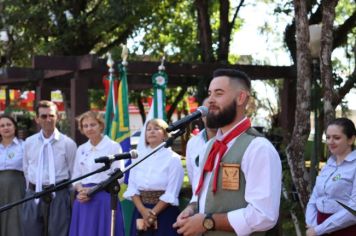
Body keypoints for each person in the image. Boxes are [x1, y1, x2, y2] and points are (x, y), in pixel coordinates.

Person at [173, 68, 282, 236]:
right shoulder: (209, 147)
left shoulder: (258, 148)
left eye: (219, 93)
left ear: (240, 98)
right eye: (210, 94)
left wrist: (207, 222)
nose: (210, 101)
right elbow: (201, 193)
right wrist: (191, 208)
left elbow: (264, 215)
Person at [21, 100, 77, 236]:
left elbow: (73, 172)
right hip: (33, 194)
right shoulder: (29, 142)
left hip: (59, 194)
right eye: (44, 116)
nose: (48, 119)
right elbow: (26, 168)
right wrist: (34, 187)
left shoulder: (68, 143)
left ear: (58, 117)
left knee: (58, 232)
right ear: (37, 119)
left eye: (51, 115)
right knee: (31, 231)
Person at [124, 118, 184, 236]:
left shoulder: (173, 159)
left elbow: (171, 192)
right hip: (141, 210)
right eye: (148, 129)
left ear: (165, 135)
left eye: (157, 129)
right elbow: (132, 188)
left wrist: (152, 214)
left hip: (164, 212)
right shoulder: (138, 157)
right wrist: (143, 211)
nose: (151, 131)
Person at [69, 111, 125, 236]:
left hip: (103, 199)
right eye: (85, 126)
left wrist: (93, 190)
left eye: (93, 124)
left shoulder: (113, 147)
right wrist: (80, 189)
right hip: (83, 200)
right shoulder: (81, 149)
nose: (89, 128)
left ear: (101, 125)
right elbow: (76, 176)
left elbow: (119, 177)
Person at [305, 117, 356, 236]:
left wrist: (319, 230)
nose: (330, 141)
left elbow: (353, 210)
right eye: (328, 137)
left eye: (336, 138)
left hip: (346, 230)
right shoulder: (328, 165)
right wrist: (312, 223)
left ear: (351, 139)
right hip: (319, 227)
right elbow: (315, 198)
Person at [0, 115, 25, 236]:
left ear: (14, 127)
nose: (6, 128)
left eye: (9, 124)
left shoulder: (24, 146)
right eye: (2, 125)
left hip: (17, 189)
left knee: (15, 220)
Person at [186, 98, 217, 194]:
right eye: (206, 111)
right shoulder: (192, 143)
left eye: (214, 110)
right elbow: (192, 177)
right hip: (198, 203)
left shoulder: (232, 140)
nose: (210, 114)